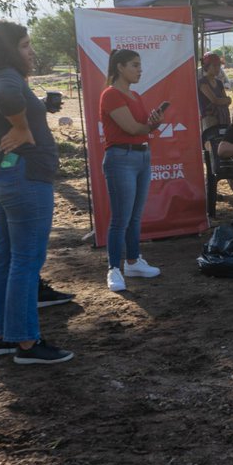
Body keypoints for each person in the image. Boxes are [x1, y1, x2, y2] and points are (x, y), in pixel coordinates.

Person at [0, 21, 72, 365]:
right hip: (23, 177)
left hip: (0, 176)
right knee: (26, 261)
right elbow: (8, 97)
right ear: (9, 49)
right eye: (25, 45)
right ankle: (26, 342)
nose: (30, 52)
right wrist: (23, 127)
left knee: (5, 257)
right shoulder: (6, 76)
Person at [100, 49, 166, 293]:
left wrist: (153, 123)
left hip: (141, 156)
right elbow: (132, 127)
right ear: (119, 67)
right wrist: (149, 125)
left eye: (140, 65)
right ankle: (113, 269)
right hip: (121, 157)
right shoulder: (111, 95)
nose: (139, 69)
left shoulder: (135, 95)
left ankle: (133, 261)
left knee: (135, 216)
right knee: (120, 219)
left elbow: (142, 128)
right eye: (134, 65)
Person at [197, 52, 232, 130]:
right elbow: (215, 100)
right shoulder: (202, 82)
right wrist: (226, 100)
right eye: (214, 65)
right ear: (207, 67)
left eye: (219, 65)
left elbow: (227, 101)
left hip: (223, 119)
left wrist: (226, 100)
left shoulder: (219, 83)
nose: (217, 68)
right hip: (209, 120)